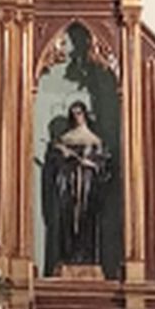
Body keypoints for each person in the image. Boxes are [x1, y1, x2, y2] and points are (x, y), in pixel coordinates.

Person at [47, 100, 111, 269]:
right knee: (68, 219)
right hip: (69, 186)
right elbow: (56, 167)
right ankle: (68, 256)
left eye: (80, 113)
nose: (77, 117)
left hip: (88, 186)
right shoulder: (65, 139)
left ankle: (87, 257)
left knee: (87, 218)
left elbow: (103, 166)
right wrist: (65, 156)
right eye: (74, 114)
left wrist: (91, 164)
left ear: (85, 115)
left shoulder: (95, 140)